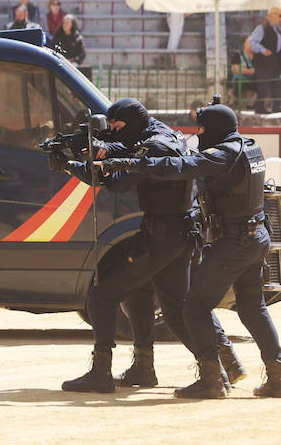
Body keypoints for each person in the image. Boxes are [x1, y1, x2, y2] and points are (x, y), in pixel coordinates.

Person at [99, 103, 281, 399]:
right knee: (252, 307)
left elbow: (182, 167)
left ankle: (211, 380)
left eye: (203, 129)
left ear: (216, 128)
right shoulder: (249, 147)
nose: (199, 135)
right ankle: (277, 376)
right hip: (256, 237)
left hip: (234, 242)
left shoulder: (224, 154)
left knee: (194, 308)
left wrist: (131, 163)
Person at [57, 99, 239, 393]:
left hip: (162, 236)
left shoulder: (154, 145)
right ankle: (204, 373)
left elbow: (117, 181)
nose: (116, 132)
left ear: (133, 122)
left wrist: (73, 166)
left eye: (119, 127)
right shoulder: (163, 135)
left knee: (101, 296)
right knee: (164, 305)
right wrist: (92, 152)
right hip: (179, 234)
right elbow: (123, 147)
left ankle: (101, 373)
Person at [247, 6, 281, 114]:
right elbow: (252, 41)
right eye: (279, 15)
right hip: (264, 63)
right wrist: (263, 50)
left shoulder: (276, 29)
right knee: (263, 86)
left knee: (276, 85)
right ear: (272, 15)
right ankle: (259, 108)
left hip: (274, 62)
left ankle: (277, 106)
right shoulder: (262, 28)